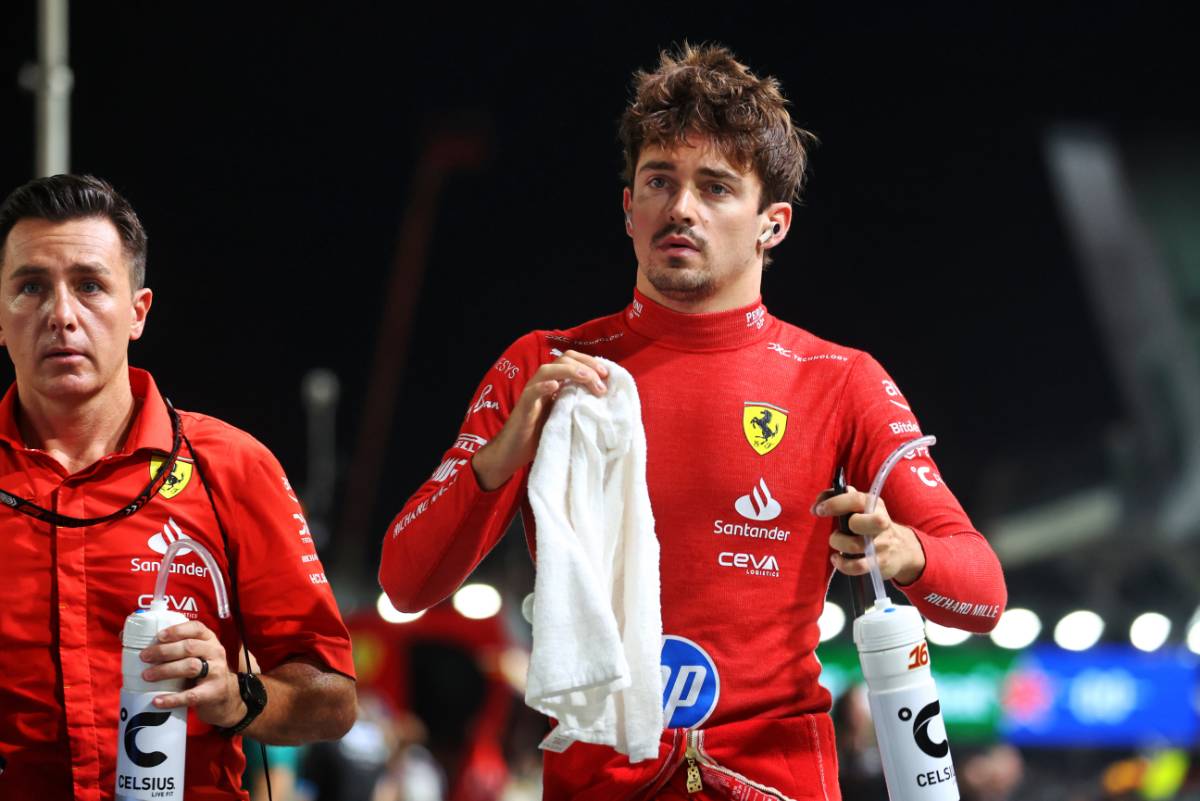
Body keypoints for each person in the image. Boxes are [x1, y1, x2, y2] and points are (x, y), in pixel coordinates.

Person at [379, 43, 1006, 800]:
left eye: (715, 187)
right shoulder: (548, 367)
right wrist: (498, 461)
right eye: (659, 181)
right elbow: (405, 583)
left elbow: (983, 593)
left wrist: (907, 552)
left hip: (774, 782)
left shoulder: (841, 379)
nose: (681, 207)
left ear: (773, 224)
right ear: (628, 208)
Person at [0, 174, 357, 800]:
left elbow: (333, 699)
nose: (62, 315)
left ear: (138, 312)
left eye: (89, 285)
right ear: (1, 317)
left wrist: (237, 697)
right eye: (31, 287)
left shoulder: (232, 467)